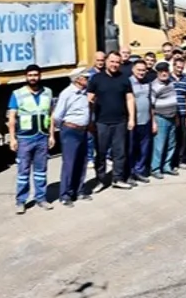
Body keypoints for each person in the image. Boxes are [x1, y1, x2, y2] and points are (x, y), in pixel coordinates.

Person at [9, 64, 56, 214]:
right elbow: (11, 118)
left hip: (42, 137)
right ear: (26, 77)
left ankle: (41, 198)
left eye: (35, 75)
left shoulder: (48, 92)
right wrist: (12, 138)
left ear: (40, 76)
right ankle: (21, 201)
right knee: (23, 172)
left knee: (41, 171)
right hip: (25, 138)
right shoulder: (17, 93)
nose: (33, 78)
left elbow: (51, 115)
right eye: (30, 75)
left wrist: (52, 135)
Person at [88, 51, 135, 191]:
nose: (114, 65)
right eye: (112, 61)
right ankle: (100, 180)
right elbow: (89, 99)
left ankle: (118, 178)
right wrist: (90, 121)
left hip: (120, 121)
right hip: (101, 122)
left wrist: (131, 118)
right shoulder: (96, 79)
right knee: (101, 153)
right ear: (106, 61)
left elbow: (130, 99)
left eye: (117, 62)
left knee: (119, 152)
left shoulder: (124, 79)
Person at [53, 68, 92, 207]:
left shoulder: (84, 93)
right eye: (85, 77)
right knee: (69, 162)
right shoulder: (67, 93)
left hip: (83, 130)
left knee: (82, 162)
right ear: (77, 79)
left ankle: (78, 190)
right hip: (70, 130)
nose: (87, 79)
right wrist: (66, 126)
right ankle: (65, 194)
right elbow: (57, 115)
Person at [149, 61, 179, 179]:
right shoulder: (154, 86)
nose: (164, 73)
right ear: (157, 73)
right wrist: (153, 122)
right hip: (160, 118)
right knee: (159, 145)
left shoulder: (171, 83)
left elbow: (174, 100)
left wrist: (176, 117)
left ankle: (167, 166)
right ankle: (155, 168)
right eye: (161, 72)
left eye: (165, 71)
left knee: (171, 144)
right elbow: (151, 106)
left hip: (172, 117)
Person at [128, 60, 153, 184]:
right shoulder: (128, 83)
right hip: (133, 122)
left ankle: (139, 171)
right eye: (139, 70)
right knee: (131, 149)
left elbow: (150, 103)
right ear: (133, 70)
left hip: (146, 120)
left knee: (144, 149)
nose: (141, 72)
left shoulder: (148, 82)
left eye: (143, 70)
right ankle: (130, 173)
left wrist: (152, 121)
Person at [171, 58, 186, 171]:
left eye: (181, 68)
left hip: (183, 113)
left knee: (183, 137)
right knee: (173, 138)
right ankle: (172, 161)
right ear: (173, 66)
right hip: (172, 114)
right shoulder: (168, 79)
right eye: (177, 67)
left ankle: (181, 159)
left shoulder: (185, 79)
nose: (179, 70)